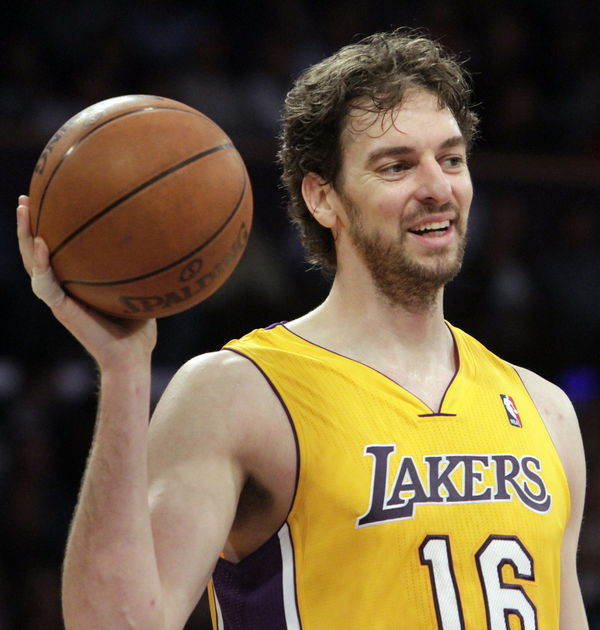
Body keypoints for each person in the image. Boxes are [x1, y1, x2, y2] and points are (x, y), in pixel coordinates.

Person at [17, 29, 588, 630]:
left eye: (450, 159)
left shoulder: (545, 410)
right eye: (396, 166)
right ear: (323, 198)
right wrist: (123, 370)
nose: (437, 188)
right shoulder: (238, 394)